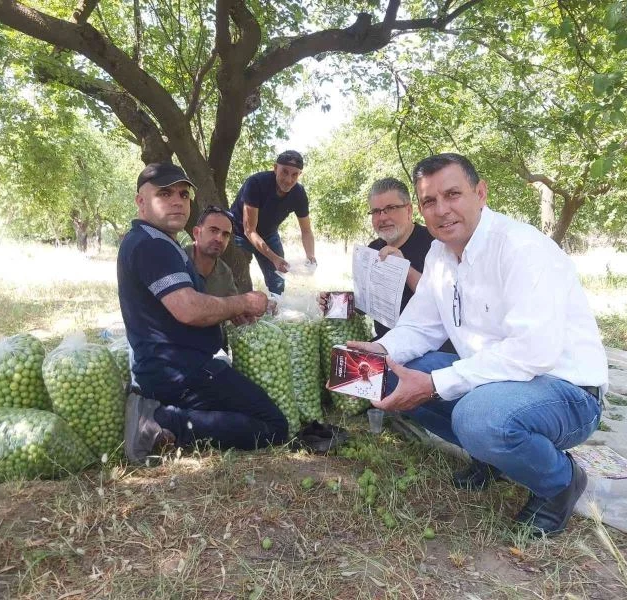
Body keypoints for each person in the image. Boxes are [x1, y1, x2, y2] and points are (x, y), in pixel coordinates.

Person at [348, 153, 608, 536]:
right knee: (390, 376)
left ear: (480, 193)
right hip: (497, 382)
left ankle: (561, 482)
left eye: (452, 194)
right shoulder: (440, 254)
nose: (442, 210)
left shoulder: (522, 248)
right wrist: (381, 352)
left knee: (477, 417)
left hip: (567, 391)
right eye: (430, 201)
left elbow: (532, 353)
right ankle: (492, 456)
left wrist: (435, 384)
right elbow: (419, 326)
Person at [118, 162, 288, 464]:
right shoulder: (152, 245)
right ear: (141, 201)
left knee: (239, 408)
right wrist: (243, 303)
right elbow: (188, 309)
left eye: (183, 195)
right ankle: (162, 422)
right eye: (165, 193)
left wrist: (225, 312)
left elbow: (182, 308)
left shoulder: (159, 242)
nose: (177, 201)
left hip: (177, 367)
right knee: (274, 425)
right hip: (180, 372)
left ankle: (166, 415)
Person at [365, 178, 454, 352]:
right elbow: (365, 304)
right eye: (376, 211)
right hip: (385, 345)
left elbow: (444, 301)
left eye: (391, 208)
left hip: (431, 351)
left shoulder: (436, 245)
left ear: (409, 210)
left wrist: (404, 269)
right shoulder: (373, 249)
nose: (383, 217)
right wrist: (336, 301)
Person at [230, 150, 316, 295]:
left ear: (299, 175)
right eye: (284, 172)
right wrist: (274, 258)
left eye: (294, 175)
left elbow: (306, 230)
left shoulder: (299, 193)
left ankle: (276, 306)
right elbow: (249, 230)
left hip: (269, 234)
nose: (288, 180)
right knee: (240, 281)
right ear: (275, 168)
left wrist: (310, 256)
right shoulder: (256, 183)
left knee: (278, 282)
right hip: (239, 234)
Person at [183, 205, 239, 298]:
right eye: (213, 231)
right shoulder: (178, 259)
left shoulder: (225, 273)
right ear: (196, 233)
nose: (219, 239)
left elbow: (235, 305)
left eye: (225, 234)